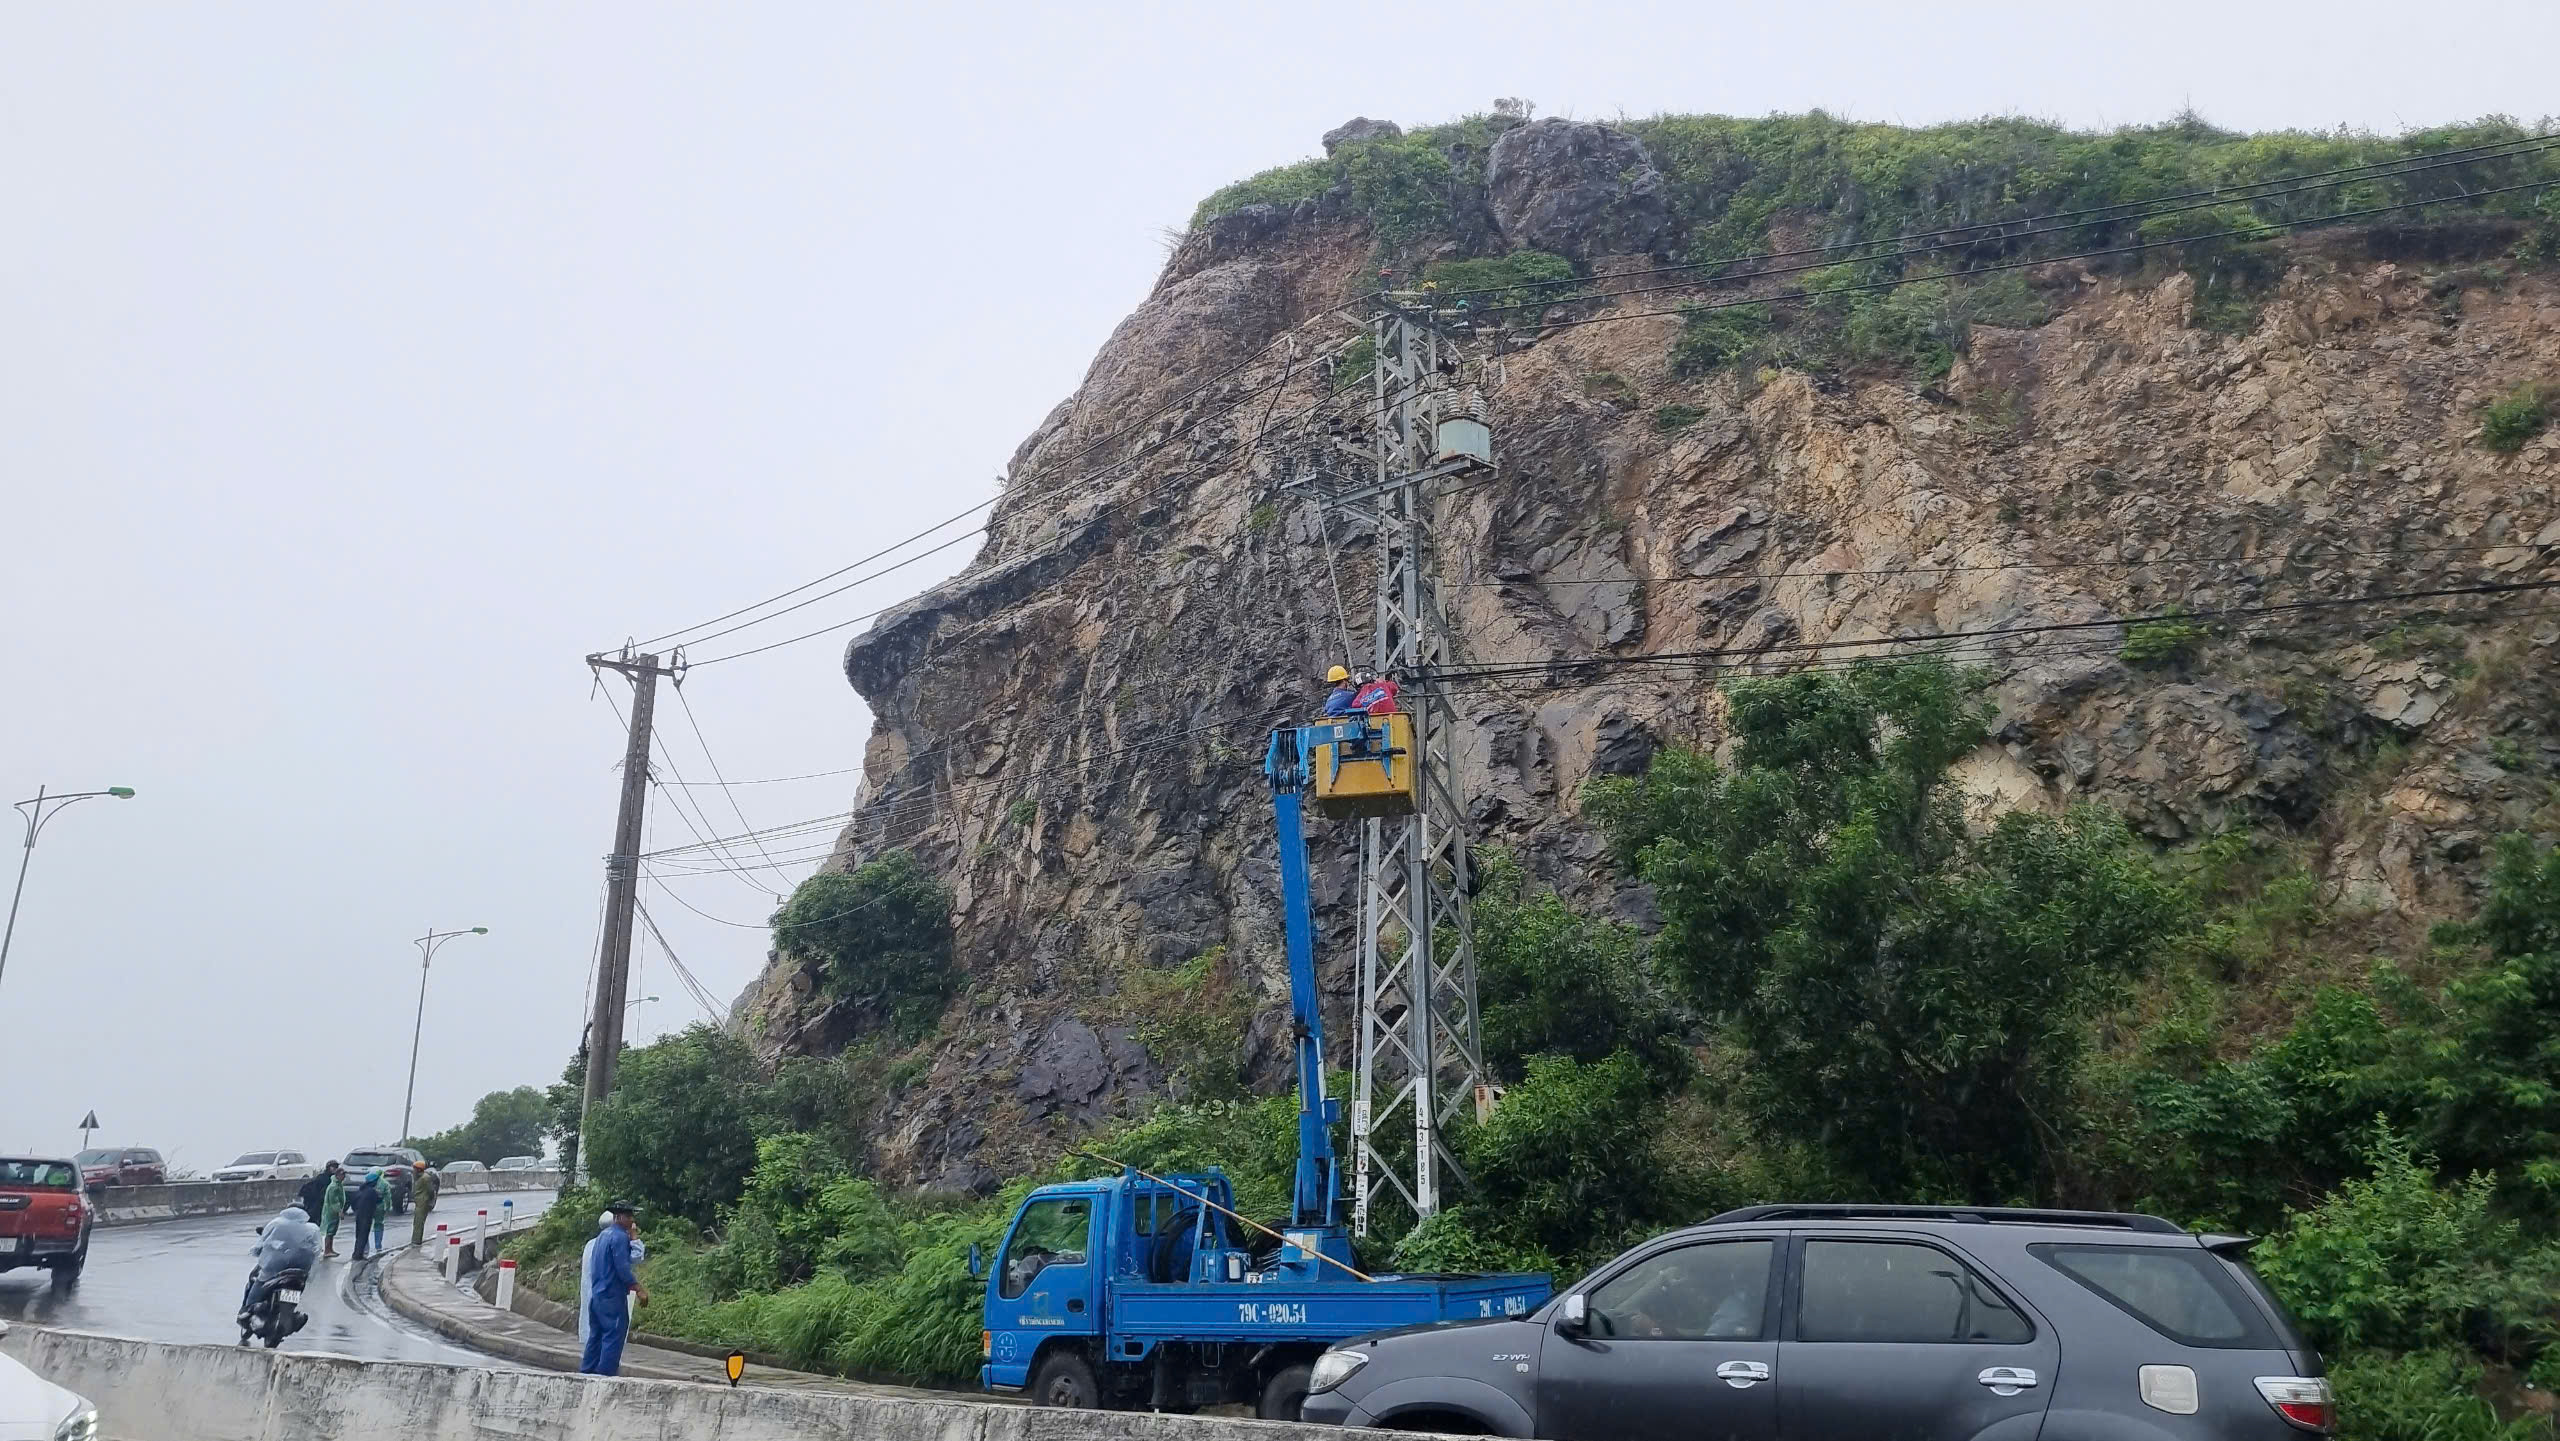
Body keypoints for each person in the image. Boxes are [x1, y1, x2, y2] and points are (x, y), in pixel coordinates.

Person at [578, 1201, 647, 1377]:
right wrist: (638, 1288)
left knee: (596, 1336)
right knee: (613, 1336)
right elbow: (622, 1267)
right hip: (612, 1296)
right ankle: (605, 1376)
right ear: (619, 1217)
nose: (632, 1221)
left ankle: (587, 1371)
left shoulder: (602, 1237)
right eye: (629, 1216)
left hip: (597, 1296)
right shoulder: (619, 1237)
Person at [239, 1204, 321, 1326]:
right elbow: (317, 1249)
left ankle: (247, 1309)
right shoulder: (312, 1228)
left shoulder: (276, 1223)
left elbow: (262, 1241)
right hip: (299, 1269)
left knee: (259, 1282)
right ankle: (288, 1313)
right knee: (294, 1288)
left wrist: (256, 1251)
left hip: (275, 1266)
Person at [347, 1169, 383, 1261]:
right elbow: (379, 1200)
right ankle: (358, 1255)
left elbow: (353, 1201)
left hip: (358, 1214)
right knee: (363, 1235)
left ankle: (356, 1253)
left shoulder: (360, 1190)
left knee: (359, 1234)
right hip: (366, 1215)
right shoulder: (371, 1192)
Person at [409, 1161, 441, 1249]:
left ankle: (416, 1241)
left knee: (419, 1222)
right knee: (416, 1222)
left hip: (423, 1201)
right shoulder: (418, 1177)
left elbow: (431, 1190)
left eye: (414, 1168)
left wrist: (430, 1200)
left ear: (419, 1169)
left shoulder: (425, 1178)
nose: (413, 1170)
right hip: (419, 1201)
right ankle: (415, 1239)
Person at [318, 1166, 346, 1258]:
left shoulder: (338, 1184)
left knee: (332, 1231)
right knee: (329, 1231)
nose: (344, 1177)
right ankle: (327, 1250)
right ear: (337, 1175)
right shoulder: (334, 1187)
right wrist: (339, 1211)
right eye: (342, 1175)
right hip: (331, 1212)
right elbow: (334, 1201)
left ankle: (330, 1249)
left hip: (333, 1211)